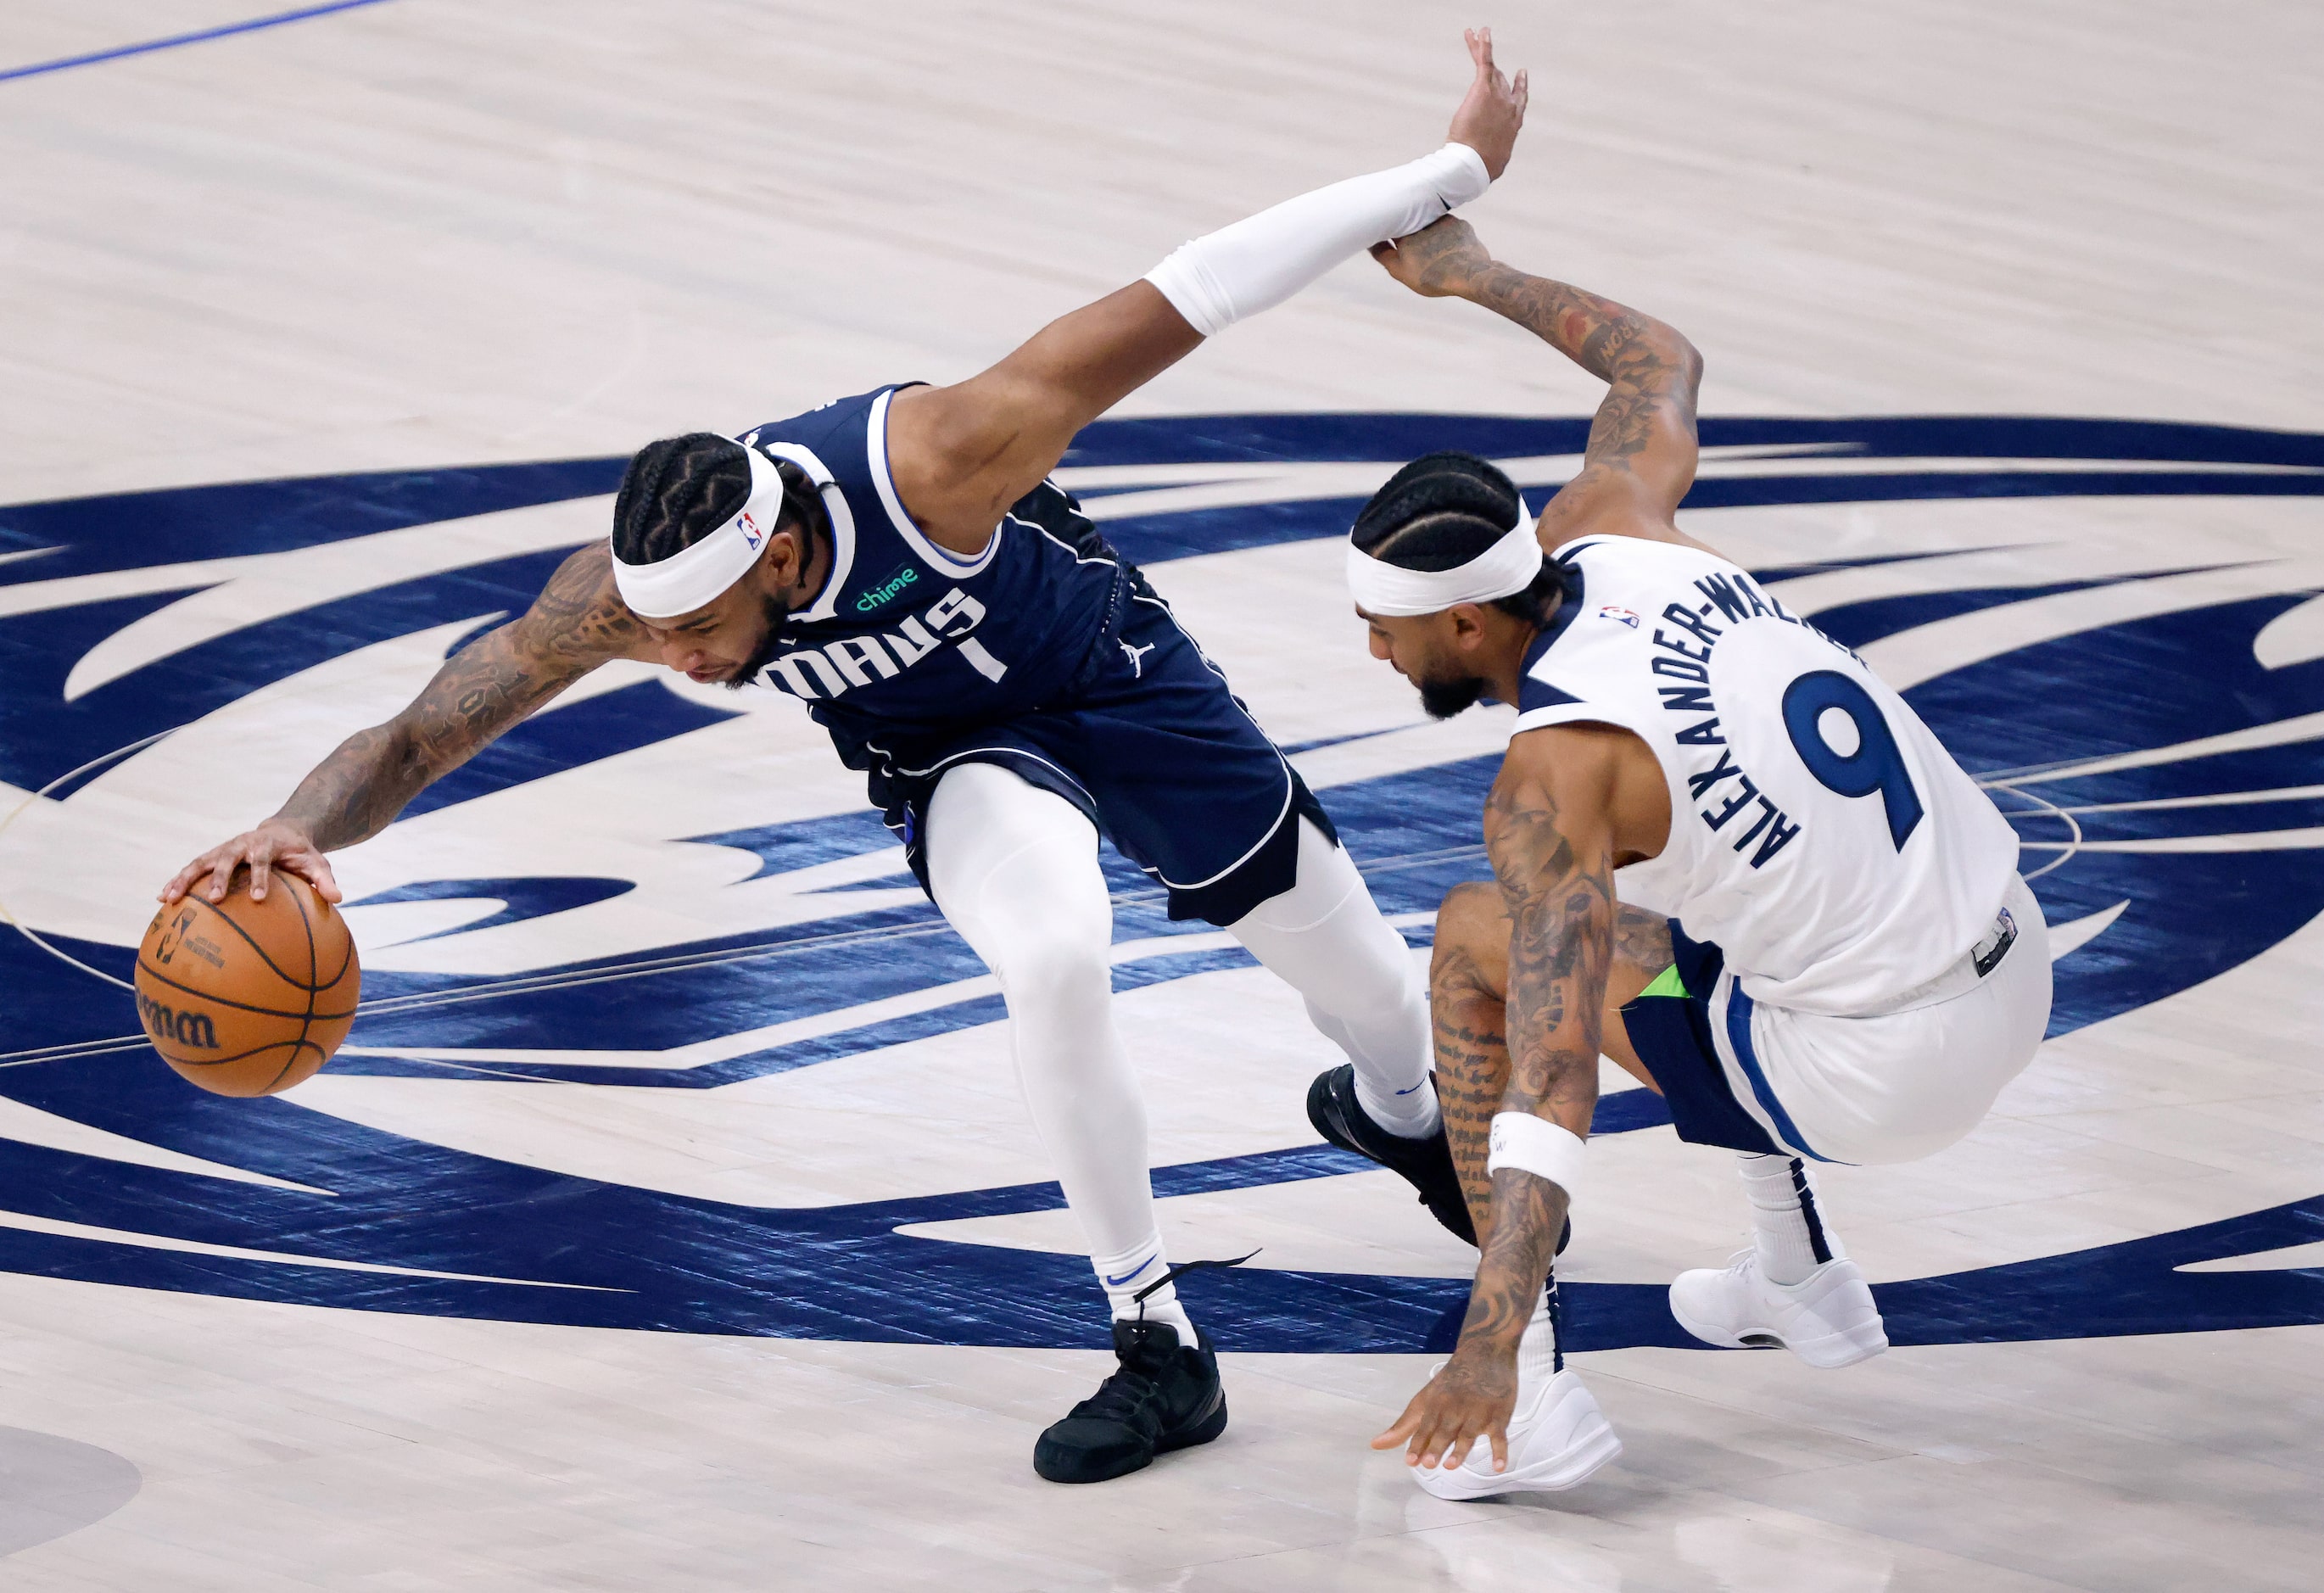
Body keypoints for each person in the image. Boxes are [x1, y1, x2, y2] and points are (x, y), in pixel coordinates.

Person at [163, 34, 1530, 1486]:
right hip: (952, 756)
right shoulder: (630, 596)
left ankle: (1388, 1112)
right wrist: (297, 825)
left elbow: (1209, 278)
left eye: (700, 632)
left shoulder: (936, 457)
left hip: (1116, 678)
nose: (677, 659)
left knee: (1382, 1009)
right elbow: (425, 726)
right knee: (1056, 954)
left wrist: (1453, 173)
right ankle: (1157, 1343)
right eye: (655, 630)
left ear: (789, 552)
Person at [1345, 215, 2051, 1497]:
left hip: (1883, 1066)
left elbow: (1555, 1086)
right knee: (1704, 924)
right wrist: (1472, 275)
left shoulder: (1552, 786)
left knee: (1470, 942)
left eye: (1386, 631)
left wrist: (1486, 1346)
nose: (1376, 657)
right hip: (2015, 956)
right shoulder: (1614, 520)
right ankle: (1797, 1277)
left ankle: (1538, 1396)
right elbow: (1652, 360)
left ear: (1463, 616)